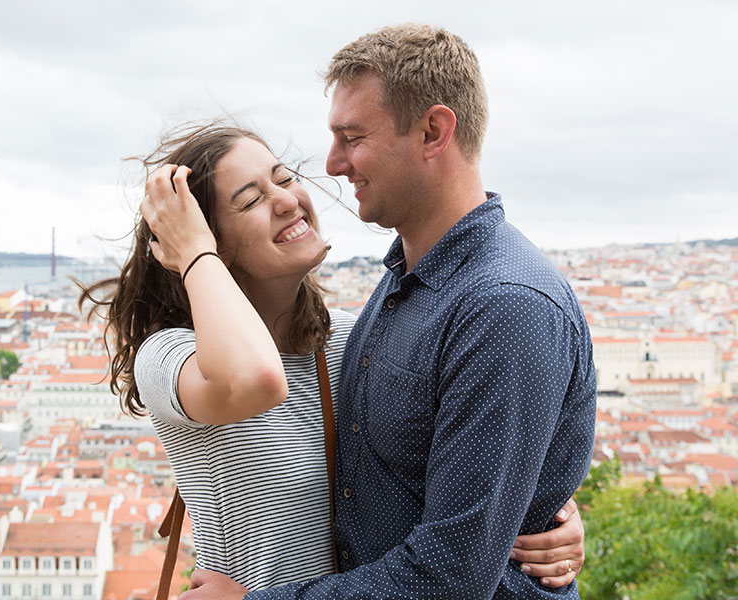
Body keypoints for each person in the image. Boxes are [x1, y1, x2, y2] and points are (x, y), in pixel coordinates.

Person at [80, 123, 585, 593]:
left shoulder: (351, 335)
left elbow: (449, 458)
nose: (287, 200)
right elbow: (257, 380)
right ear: (215, 246)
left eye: (284, 178)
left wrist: (542, 514)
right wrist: (191, 250)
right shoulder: (173, 354)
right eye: (252, 199)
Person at [186, 24, 597, 600]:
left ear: (433, 131)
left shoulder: (504, 307)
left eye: (351, 137)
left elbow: (449, 577)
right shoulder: (405, 284)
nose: (331, 164)